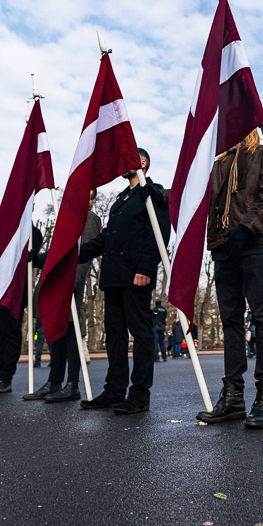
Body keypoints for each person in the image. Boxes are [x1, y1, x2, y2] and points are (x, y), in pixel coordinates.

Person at [196, 130, 263, 428]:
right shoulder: (219, 164)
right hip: (223, 247)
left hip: (255, 243)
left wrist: (246, 227)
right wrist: (161, 195)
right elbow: (197, 198)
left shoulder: (262, 153)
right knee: (230, 320)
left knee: (262, 318)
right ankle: (233, 395)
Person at [78, 148, 171, 415]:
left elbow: (159, 234)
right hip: (114, 276)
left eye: (125, 160)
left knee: (141, 334)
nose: (119, 165)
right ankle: (114, 390)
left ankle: (140, 394)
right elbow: (106, 238)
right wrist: (73, 254)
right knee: (115, 334)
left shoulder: (152, 192)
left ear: (141, 163)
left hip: (135, 276)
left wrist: (145, 268)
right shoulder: (120, 199)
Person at [25, 203, 102, 402]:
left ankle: (72, 384)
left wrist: (71, 284)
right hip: (55, 285)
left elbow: (83, 254)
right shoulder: (67, 219)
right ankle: (54, 382)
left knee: (70, 335)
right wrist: (38, 259)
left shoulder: (88, 217)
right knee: (55, 337)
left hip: (67, 287)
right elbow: (58, 254)